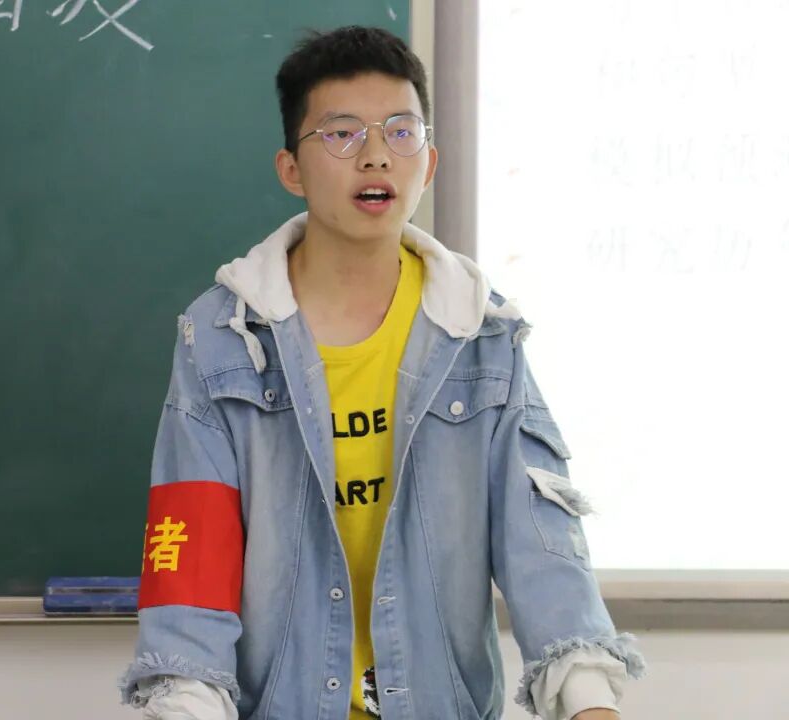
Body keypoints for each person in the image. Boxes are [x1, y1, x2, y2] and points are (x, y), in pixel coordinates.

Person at [118, 25, 646, 720]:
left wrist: (588, 701)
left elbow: (543, 547)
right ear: (290, 169)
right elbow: (191, 573)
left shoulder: (481, 334)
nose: (375, 156)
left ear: (430, 162)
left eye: (401, 132)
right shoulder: (222, 340)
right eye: (342, 134)